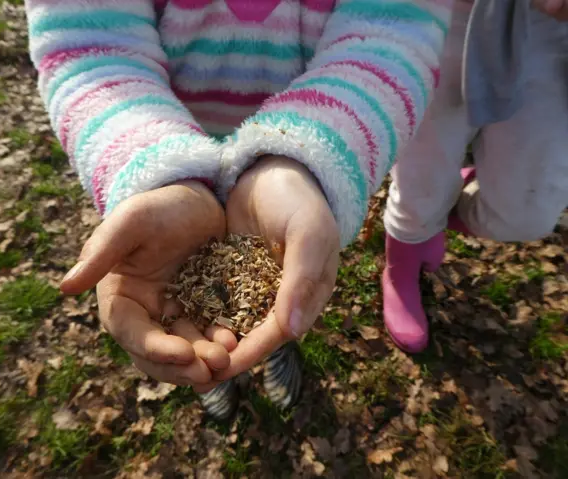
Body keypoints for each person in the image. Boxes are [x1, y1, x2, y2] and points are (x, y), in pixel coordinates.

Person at [25, 0, 451, 420]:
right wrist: (160, 172)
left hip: (305, 142)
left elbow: (396, 31)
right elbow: (86, 46)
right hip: (167, 139)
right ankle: (213, 372)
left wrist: (300, 160)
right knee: (190, 324)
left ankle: (277, 346)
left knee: (284, 285)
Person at [382, 0, 568, 354]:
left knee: (527, 209)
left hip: (548, 27)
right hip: (442, 10)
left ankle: (444, 205)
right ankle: (402, 259)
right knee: (422, 166)